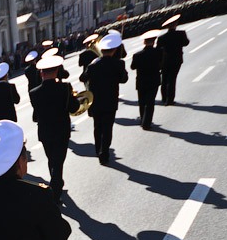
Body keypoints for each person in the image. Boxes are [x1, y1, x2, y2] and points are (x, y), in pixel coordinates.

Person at [29, 55, 79, 203]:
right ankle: (55, 191)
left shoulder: (34, 92)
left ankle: (56, 183)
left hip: (45, 132)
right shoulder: (65, 87)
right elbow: (73, 108)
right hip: (61, 130)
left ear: (41, 73)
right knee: (58, 161)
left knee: (52, 159)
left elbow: (36, 115)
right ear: (57, 71)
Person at [84, 32, 128, 165]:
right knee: (108, 128)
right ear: (114, 50)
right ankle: (104, 152)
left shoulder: (93, 65)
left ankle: (98, 150)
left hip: (96, 101)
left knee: (97, 127)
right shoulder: (119, 64)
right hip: (110, 101)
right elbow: (124, 79)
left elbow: (83, 78)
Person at [131, 29, 164, 130]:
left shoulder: (137, 55)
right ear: (154, 41)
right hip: (154, 79)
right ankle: (147, 122)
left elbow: (133, 67)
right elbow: (162, 64)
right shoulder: (159, 52)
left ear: (144, 42)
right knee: (150, 102)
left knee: (142, 101)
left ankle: (142, 119)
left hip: (141, 80)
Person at [157, 14, 190, 106]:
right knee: (172, 79)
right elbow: (186, 43)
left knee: (164, 79)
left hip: (165, 60)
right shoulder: (181, 34)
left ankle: (164, 98)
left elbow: (158, 50)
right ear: (175, 25)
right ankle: (170, 99)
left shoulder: (161, 38)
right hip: (176, 59)